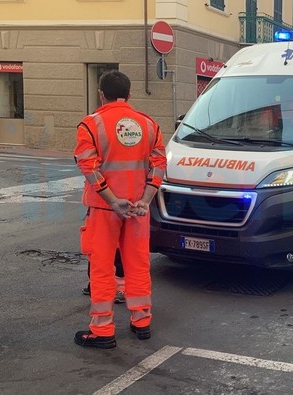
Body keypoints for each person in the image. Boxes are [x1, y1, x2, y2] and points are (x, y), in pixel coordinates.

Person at [73, 70, 166, 349]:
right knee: (137, 265)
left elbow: (87, 166)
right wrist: (146, 200)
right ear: (130, 94)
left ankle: (102, 330)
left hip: (105, 209)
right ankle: (142, 322)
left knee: (102, 267)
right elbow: (159, 164)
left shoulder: (91, 124)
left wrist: (113, 200)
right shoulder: (148, 125)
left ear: (101, 93)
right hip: (138, 208)